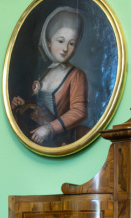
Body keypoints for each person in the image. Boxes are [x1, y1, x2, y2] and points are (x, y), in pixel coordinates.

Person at [10, 8, 89, 147]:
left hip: (62, 140)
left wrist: (49, 128)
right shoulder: (47, 72)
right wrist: (24, 104)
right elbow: (40, 107)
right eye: (61, 41)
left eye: (71, 43)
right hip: (39, 138)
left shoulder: (77, 75)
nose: (65, 48)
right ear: (49, 42)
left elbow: (79, 111)